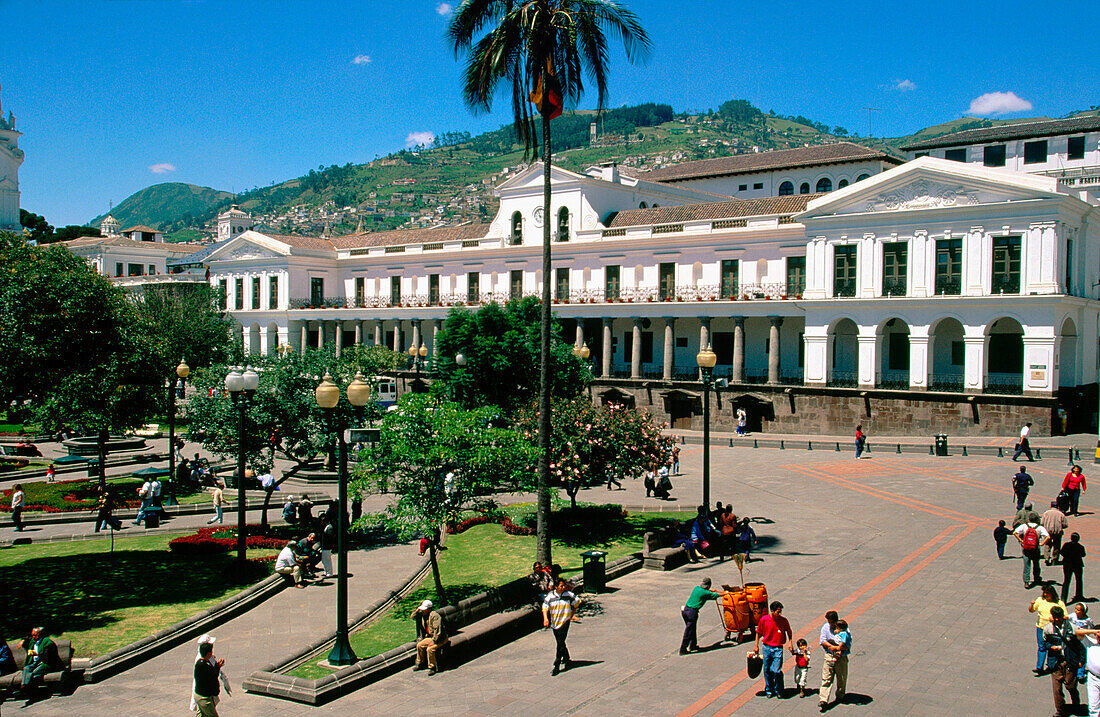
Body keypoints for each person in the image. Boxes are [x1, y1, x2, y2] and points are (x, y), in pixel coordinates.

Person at [1045, 606, 1083, 715]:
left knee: (1070, 685)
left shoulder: (1073, 628)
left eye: (1059, 617)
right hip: (1056, 661)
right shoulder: (1048, 629)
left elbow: (1080, 646)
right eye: (1055, 617)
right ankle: (1060, 711)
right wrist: (1051, 646)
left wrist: (1081, 660)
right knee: (1057, 689)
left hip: (1069, 661)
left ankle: (1076, 704)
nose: (1057, 620)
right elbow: (1045, 643)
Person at [753, 601, 793, 699]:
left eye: (780, 612)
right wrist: (756, 645)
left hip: (778, 648)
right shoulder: (764, 620)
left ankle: (779, 690)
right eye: (777, 612)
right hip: (766, 647)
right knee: (767, 670)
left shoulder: (784, 621)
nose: (779, 614)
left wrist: (790, 643)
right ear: (772, 611)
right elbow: (758, 633)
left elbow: (789, 632)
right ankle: (769, 689)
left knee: (775, 670)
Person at [680, 577, 729, 655]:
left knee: (692, 629)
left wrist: (710, 590)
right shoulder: (706, 593)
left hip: (685, 610)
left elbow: (705, 591)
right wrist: (725, 593)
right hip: (692, 612)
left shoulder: (696, 588)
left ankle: (693, 645)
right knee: (689, 631)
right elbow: (715, 595)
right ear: (709, 586)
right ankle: (683, 648)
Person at [543, 578, 581, 676]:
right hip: (554, 622)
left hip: (565, 622)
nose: (563, 588)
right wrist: (545, 619)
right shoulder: (550, 596)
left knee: (560, 643)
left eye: (564, 586)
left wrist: (572, 615)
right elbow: (545, 607)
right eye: (561, 586)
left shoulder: (568, 595)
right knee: (560, 642)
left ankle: (557, 664)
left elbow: (577, 602)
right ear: (556, 587)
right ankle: (567, 658)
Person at [1032, 585, 1068, 674]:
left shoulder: (1059, 603)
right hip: (1040, 627)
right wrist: (1032, 605)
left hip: (1053, 629)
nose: (1045, 595)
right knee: (1041, 647)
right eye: (1044, 593)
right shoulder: (1040, 600)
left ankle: (1052, 666)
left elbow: (1066, 616)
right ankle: (1039, 667)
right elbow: (1032, 610)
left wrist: (1055, 618)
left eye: (1047, 593)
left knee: (1051, 648)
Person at [818, 610, 848, 711]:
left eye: (831, 622)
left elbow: (847, 645)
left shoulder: (844, 629)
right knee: (826, 678)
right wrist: (833, 647)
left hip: (841, 657)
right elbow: (822, 641)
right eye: (829, 622)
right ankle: (823, 699)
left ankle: (840, 696)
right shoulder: (825, 627)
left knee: (841, 678)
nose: (830, 624)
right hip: (829, 656)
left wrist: (837, 648)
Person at [191, 634, 226, 717]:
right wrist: (218, 666)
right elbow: (212, 675)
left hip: (199, 695)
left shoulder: (202, 662)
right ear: (208, 653)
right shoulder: (203, 665)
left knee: (201, 715)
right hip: (204, 697)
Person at [19, 627, 61, 693]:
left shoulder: (48, 642)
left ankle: (28, 689)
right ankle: (24, 686)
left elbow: (47, 656)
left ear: (40, 634)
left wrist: (36, 653)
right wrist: (23, 640)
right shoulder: (33, 641)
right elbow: (27, 639)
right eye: (32, 635)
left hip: (45, 663)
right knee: (27, 668)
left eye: (34, 635)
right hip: (35, 662)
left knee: (33, 673)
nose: (32, 637)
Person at [412, 600, 449, 675]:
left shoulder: (435, 616)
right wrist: (416, 611)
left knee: (430, 649)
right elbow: (413, 617)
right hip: (430, 637)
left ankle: (432, 667)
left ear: (429, 609)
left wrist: (434, 641)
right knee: (419, 645)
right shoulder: (423, 615)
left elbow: (438, 631)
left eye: (424, 609)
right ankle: (420, 663)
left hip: (440, 638)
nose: (422, 611)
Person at [1017, 517, 1051, 588]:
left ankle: (1026, 581)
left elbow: (1015, 532)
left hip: (1026, 548)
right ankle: (1036, 578)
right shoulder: (1040, 528)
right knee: (1036, 564)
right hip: (1035, 549)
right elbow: (1048, 537)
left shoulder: (1024, 526)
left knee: (1027, 565)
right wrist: (1042, 543)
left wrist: (1021, 540)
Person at [1062, 533, 1087, 603]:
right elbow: (1083, 554)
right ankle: (1079, 595)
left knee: (1066, 581)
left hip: (1067, 565)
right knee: (1079, 580)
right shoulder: (1080, 547)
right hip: (1077, 565)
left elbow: (1062, 552)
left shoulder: (1066, 545)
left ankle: (1063, 598)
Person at [1044, 501, 1070, 566]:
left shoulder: (1046, 513)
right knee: (1056, 546)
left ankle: (1047, 558)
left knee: (1047, 545)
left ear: (1051, 506)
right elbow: (1065, 525)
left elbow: (1042, 523)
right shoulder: (1060, 514)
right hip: (1057, 532)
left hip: (1048, 532)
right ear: (1058, 507)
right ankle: (1054, 559)